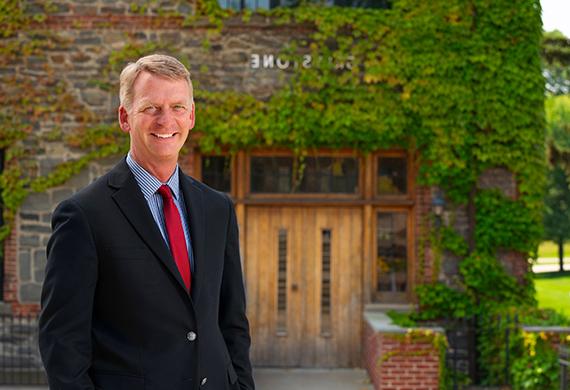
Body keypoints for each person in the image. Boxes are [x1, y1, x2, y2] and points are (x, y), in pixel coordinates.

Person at [39, 54, 255, 390]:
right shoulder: (83, 215)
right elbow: (62, 342)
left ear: (192, 116)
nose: (165, 120)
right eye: (151, 108)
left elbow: (232, 321)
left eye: (178, 107)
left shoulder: (218, 209)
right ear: (125, 117)